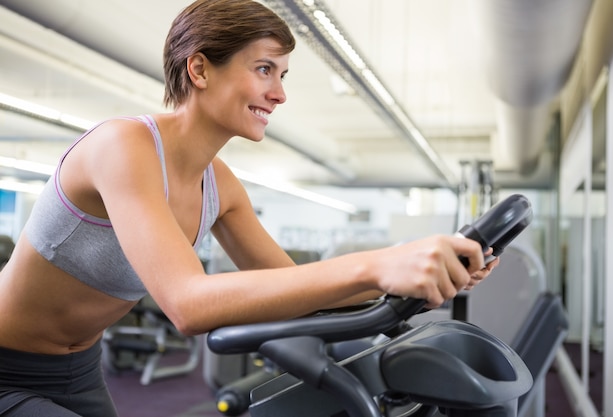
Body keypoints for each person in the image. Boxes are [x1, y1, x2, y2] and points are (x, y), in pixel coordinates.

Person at [0, 0, 499, 415]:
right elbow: (187, 304)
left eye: (281, 74)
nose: (279, 94)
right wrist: (377, 264)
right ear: (199, 68)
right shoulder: (122, 147)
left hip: (80, 369)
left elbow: (293, 287)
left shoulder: (220, 185)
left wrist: (412, 270)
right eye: (264, 69)